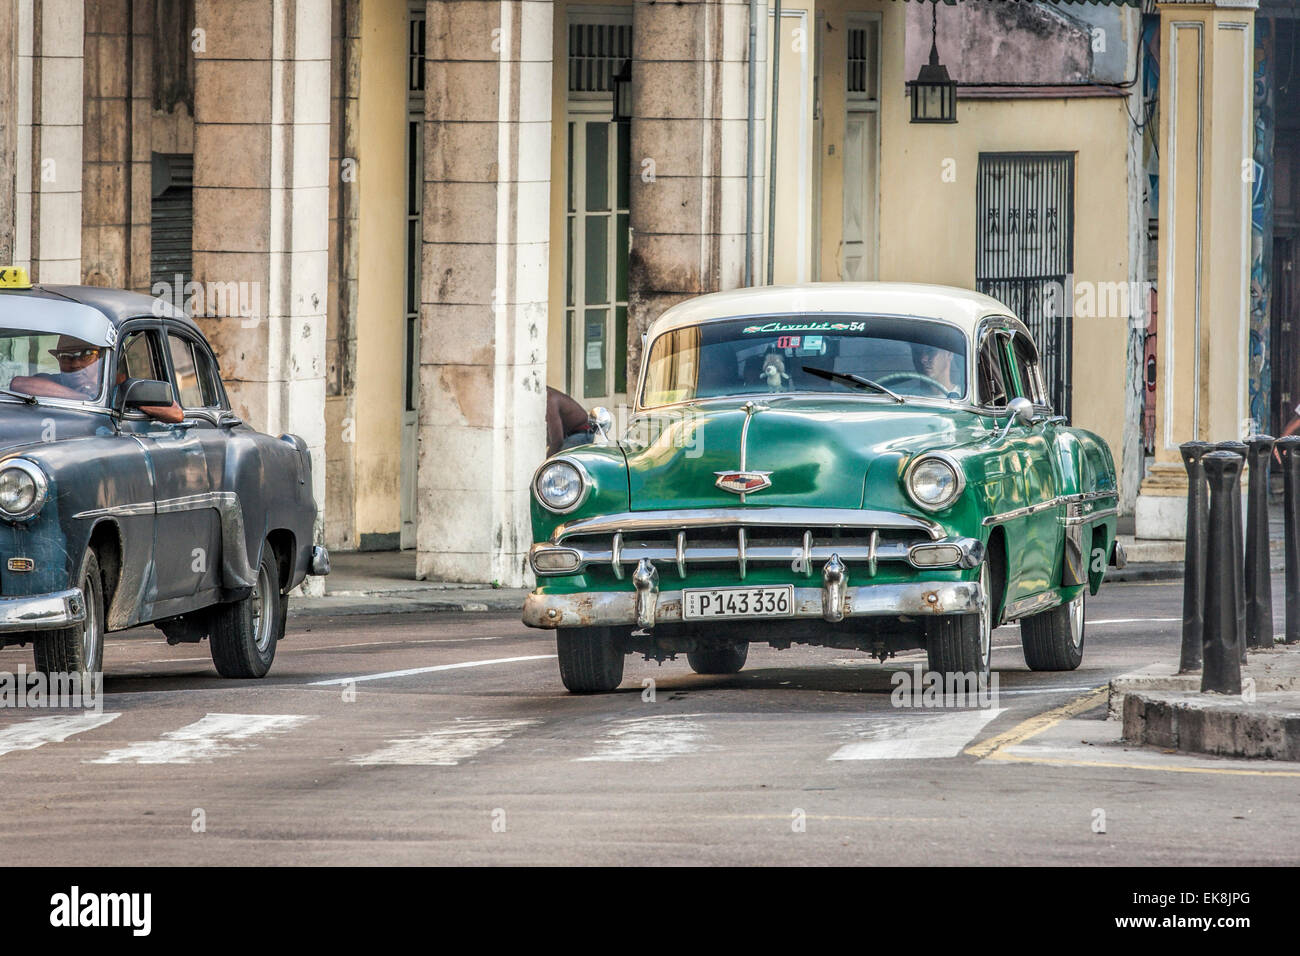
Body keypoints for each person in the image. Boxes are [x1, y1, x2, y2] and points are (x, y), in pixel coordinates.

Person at [10, 334, 183, 423]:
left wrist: (125, 398)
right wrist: (84, 398)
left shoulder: (121, 387)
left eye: (86, 355)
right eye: (66, 356)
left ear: (101, 358)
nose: (76, 363)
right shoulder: (53, 383)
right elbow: (19, 383)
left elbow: (176, 413)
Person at [546, 386, 592, 456]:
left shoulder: (550, 399)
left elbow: (557, 441)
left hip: (580, 435)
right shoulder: (549, 396)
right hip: (573, 434)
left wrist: (545, 462)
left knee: (558, 464)